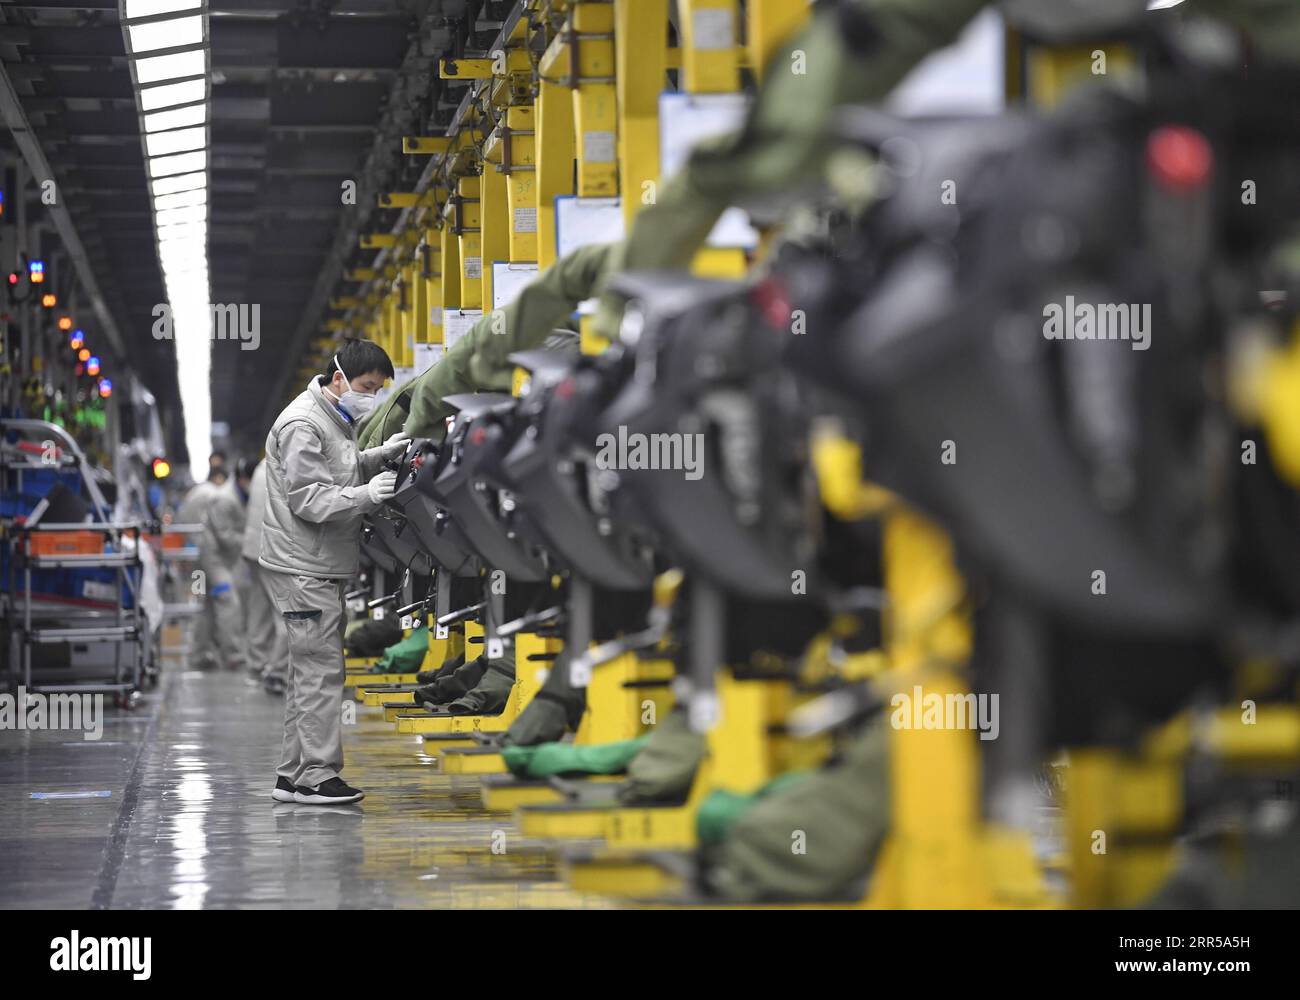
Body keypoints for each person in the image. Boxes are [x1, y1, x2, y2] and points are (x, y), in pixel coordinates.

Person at [259, 340, 409, 805]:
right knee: (323, 671)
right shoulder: (303, 424)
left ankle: (293, 775)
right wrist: (370, 495)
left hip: (315, 563)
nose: (370, 396)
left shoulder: (331, 417)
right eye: (366, 387)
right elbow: (310, 499)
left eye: (378, 389)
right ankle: (318, 777)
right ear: (339, 377)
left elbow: (337, 471)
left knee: (309, 671)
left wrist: (378, 456)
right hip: (303, 566)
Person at [175, 465, 249, 673]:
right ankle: (233, 655)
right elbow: (225, 536)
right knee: (228, 601)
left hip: (198, 557)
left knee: (203, 602)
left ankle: (199, 653)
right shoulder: (219, 496)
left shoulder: (199, 493)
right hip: (211, 559)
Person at [238, 458, 289, 694]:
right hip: (273, 550)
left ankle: (257, 665)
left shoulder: (263, 463)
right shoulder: (291, 461)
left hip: (254, 547)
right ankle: (277, 671)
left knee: (260, 612)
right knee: (286, 614)